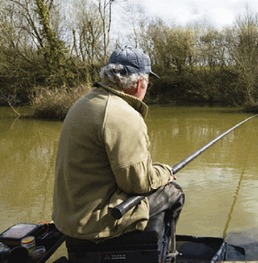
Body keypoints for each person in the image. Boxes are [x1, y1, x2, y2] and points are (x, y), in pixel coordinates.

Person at [52, 46, 184, 242]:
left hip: (68, 217)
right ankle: (164, 251)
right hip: (94, 221)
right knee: (174, 191)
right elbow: (138, 184)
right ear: (140, 83)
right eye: (147, 82)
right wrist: (164, 172)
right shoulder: (124, 115)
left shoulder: (83, 103)